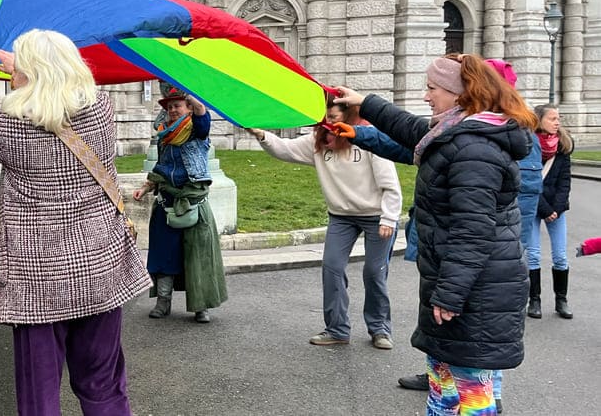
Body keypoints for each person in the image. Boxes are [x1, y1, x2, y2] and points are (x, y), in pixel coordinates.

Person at [0, 29, 150, 416]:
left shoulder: (11, 126)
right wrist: (25, 69)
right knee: (103, 383)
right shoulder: (101, 108)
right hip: (99, 265)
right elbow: (56, 95)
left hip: (38, 276)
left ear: (31, 74)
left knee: (40, 392)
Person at [335, 53, 534, 416]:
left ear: (461, 93)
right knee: (445, 381)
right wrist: (365, 106)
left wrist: (451, 295)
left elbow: (472, 232)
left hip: (475, 290)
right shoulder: (457, 130)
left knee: (471, 393)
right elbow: (411, 130)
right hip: (465, 282)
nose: (426, 96)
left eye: (432, 88)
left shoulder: (474, 148)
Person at [248, 101, 401, 349]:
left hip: (376, 216)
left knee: (374, 273)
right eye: (325, 117)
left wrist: (389, 218)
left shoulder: (368, 139)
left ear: (348, 116)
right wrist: (262, 135)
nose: (328, 122)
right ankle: (337, 329)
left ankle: (380, 329)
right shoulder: (318, 141)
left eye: (334, 117)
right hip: (341, 216)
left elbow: (390, 183)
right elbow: (286, 149)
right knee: (332, 267)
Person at [132, 87, 227, 322]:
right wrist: (146, 187)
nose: (173, 110)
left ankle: (201, 307)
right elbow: (161, 168)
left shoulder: (197, 131)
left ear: (188, 108)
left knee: (199, 257)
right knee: (164, 255)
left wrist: (187, 92)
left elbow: (202, 111)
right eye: (170, 107)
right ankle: (163, 302)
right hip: (166, 202)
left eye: (178, 105)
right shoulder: (164, 136)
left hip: (194, 203)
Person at [528, 103, 574, 320]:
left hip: (556, 208)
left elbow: (565, 182)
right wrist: (545, 209)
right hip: (535, 206)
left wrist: (556, 208)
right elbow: (528, 182)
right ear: (539, 120)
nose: (557, 123)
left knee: (560, 256)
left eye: (558, 119)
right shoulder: (528, 145)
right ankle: (534, 300)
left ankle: (561, 300)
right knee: (533, 255)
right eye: (552, 118)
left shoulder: (562, 146)